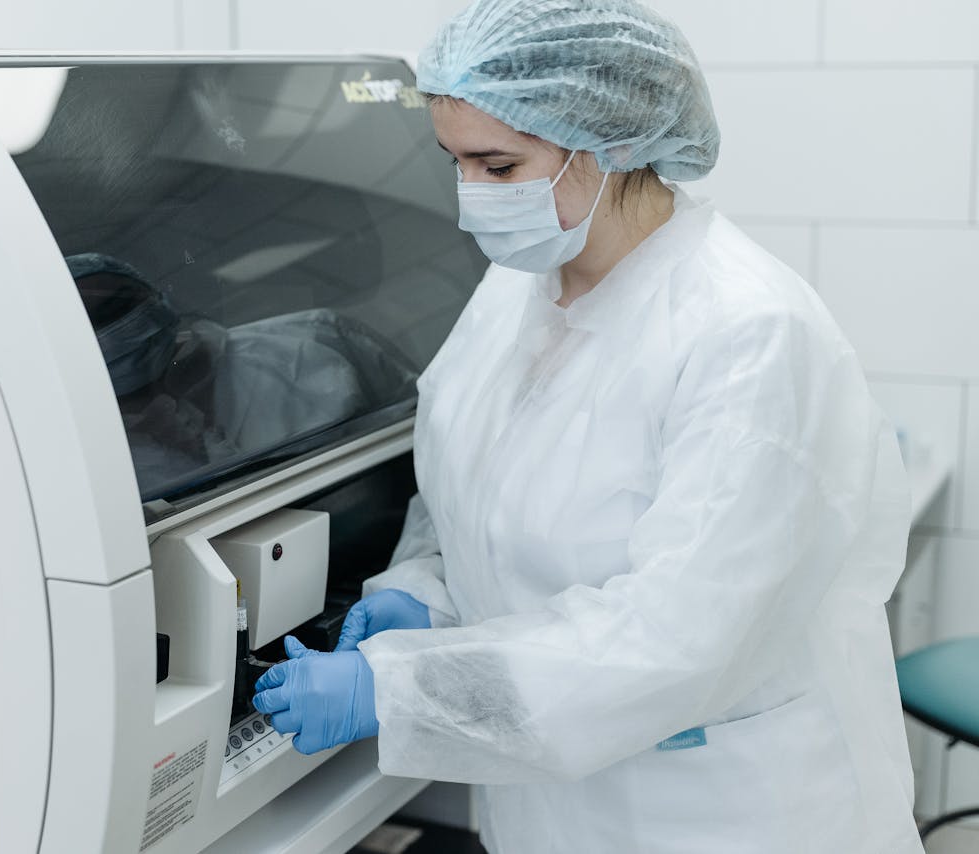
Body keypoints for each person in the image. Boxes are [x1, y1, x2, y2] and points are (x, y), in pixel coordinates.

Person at [252, 1, 925, 851]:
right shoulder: (517, 293)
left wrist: (394, 691)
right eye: (455, 162)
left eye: (500, 166)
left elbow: (672, 639)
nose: (471, 199)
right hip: (557, 805)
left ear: (614, 143)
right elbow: (466, 491)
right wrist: (420, 596)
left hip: (722, 809)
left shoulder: (746, 335)